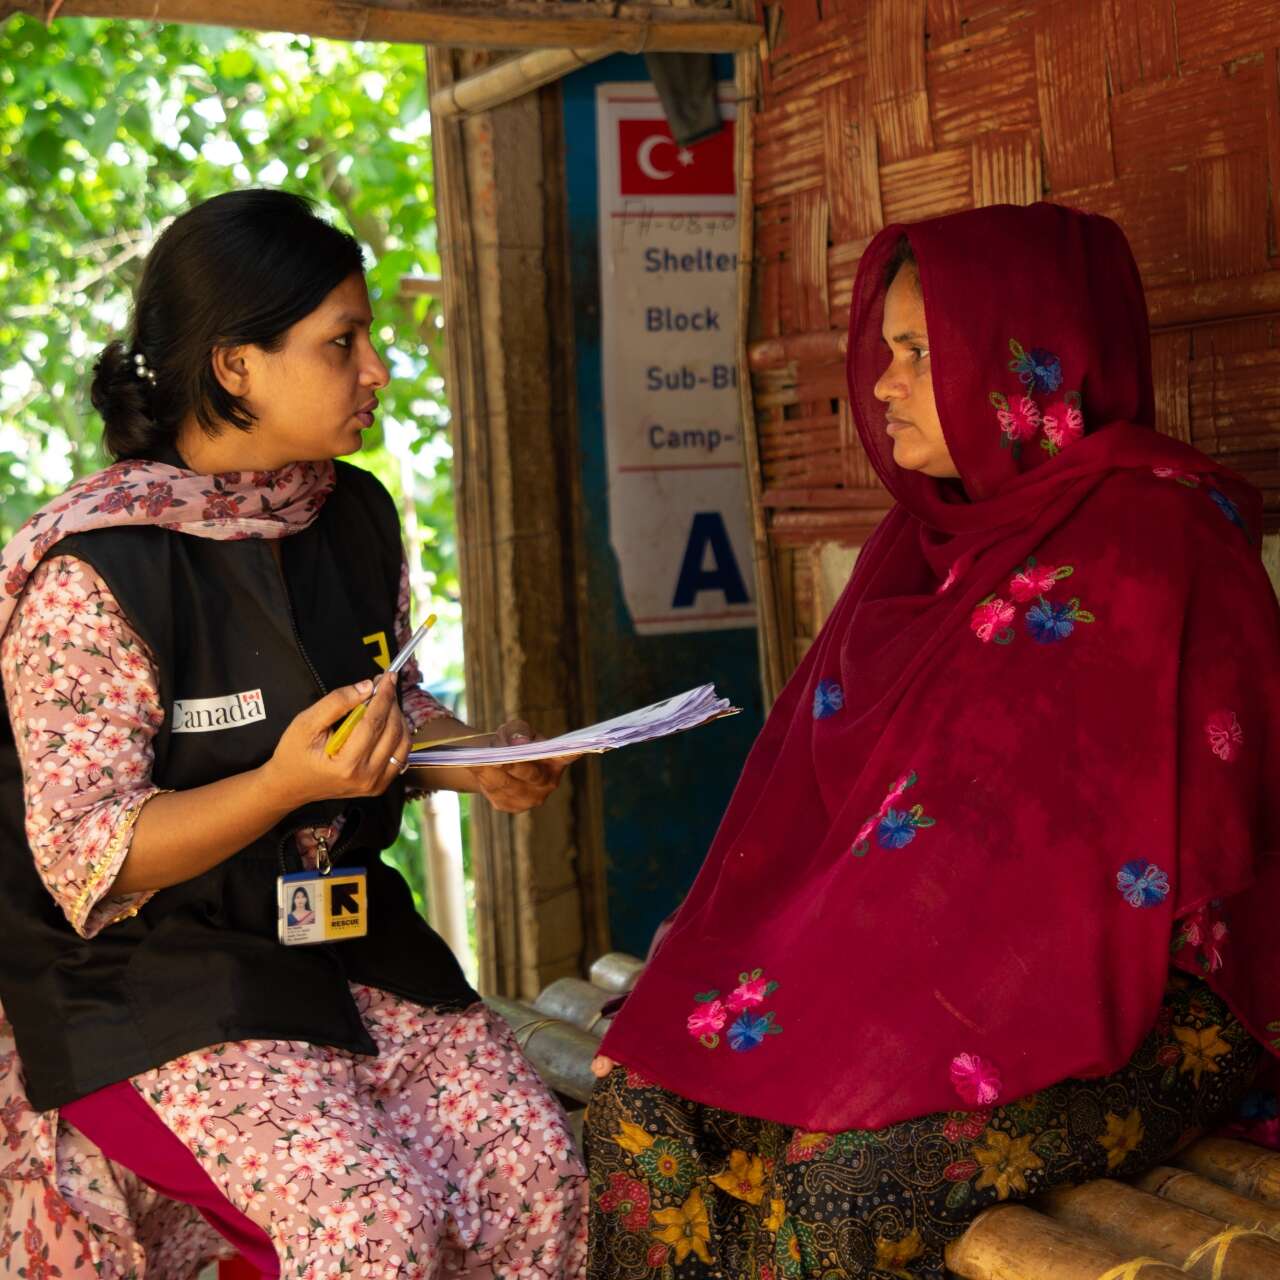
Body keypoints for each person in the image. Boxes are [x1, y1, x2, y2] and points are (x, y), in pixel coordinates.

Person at [584, 203, 1280, 1278]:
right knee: (646, 1102)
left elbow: (1096, 881)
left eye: (920, 351)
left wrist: (877, 1020)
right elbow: (826, 833)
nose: (880, 381)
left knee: (843, 1177)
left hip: (1144, 1002)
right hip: (921, 974)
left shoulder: (1157, 542)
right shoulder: (917, 550)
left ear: (1032, 365)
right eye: (889, 348)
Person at [0, 190, 586, 1279]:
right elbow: (91, 852)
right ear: (234, 365)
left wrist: (472, 757)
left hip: (341, 937)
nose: (376, 369)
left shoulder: (349, 514)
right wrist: (278, 784)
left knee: (533, 1166)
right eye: (340, 342)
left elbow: (382, 704)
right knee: (365, 1228)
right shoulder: (96, 571)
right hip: (154, 973)